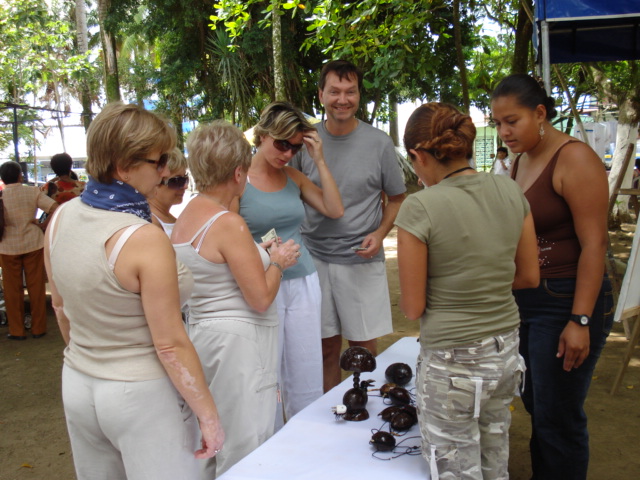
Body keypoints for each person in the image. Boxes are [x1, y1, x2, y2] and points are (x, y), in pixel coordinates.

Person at [43, 102, 224, 479]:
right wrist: (209, 415)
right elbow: (170, 344)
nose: (165, 171)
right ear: (123, 166)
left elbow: (60, 306)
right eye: (158, 162)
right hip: (140, 392)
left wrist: (94, 355)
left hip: (79, 381)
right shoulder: (139, 236)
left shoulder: (62, 216)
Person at [395, 102, 539, 480]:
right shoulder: (510, 190)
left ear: (417, 155)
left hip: (453, 362)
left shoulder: (419, 207)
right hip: (506, 350)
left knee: (456, 469)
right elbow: (528, 276)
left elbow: (412, 307)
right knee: (495, 455)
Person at [491, 74, 613, 480]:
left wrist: (580, 320)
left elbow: (595, 246)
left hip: (565, 299)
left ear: (540, 113)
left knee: (557, 415)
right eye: (498, 123)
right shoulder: (522, 159)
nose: (504, 132)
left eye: (512, 121)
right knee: (536, 404)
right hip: (526, 300)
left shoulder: (574, 158)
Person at [172, 120, 301, 478]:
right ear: (238, 172)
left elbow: (213, 266)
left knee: (214, 437)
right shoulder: (228, 222)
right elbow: (259, 297)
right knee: (247, 443)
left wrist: (256, 253)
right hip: (240, 348)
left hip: (205, 338)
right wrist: (277, 262)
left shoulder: (188, 216)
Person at [290, 59, 406, 392]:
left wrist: (380, 234)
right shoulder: (305, 141)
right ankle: (328, 414)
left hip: (361, 259)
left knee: (362, 348)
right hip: (314, 260)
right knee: (324, 346)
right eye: (335, 91)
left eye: (350, 91)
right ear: (321, 94)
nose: (343, 99)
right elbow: (291, 189)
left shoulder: (379, 143)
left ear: (359, 95)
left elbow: (396, 198)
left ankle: (363, 412)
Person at [238, 101, 344, 426]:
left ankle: (307, 444)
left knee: (306, 369)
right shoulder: (238, 179)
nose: (287, 153)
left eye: (295, 147)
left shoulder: (293, 176)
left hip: (302, 280)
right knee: (266, 373)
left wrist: (319, 160)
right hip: (261, 284)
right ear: (264, 134)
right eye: (282, 143)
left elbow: (334, 209)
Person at [0, 162, 58, 340]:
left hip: (7, 246)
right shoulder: (32, 192)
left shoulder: (1, 196)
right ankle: (38, 328)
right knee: (36, 286)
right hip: (33, 242)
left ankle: (17, 330)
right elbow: (55, 207)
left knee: (12, 289)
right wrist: (41, 225)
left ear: (2, 178)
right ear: (20, 176)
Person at [149, 147, 190, 237]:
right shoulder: (149, 224)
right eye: (177, 181)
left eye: (185, 179)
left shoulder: (169, 219)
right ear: (155, 182)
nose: (185, 186)